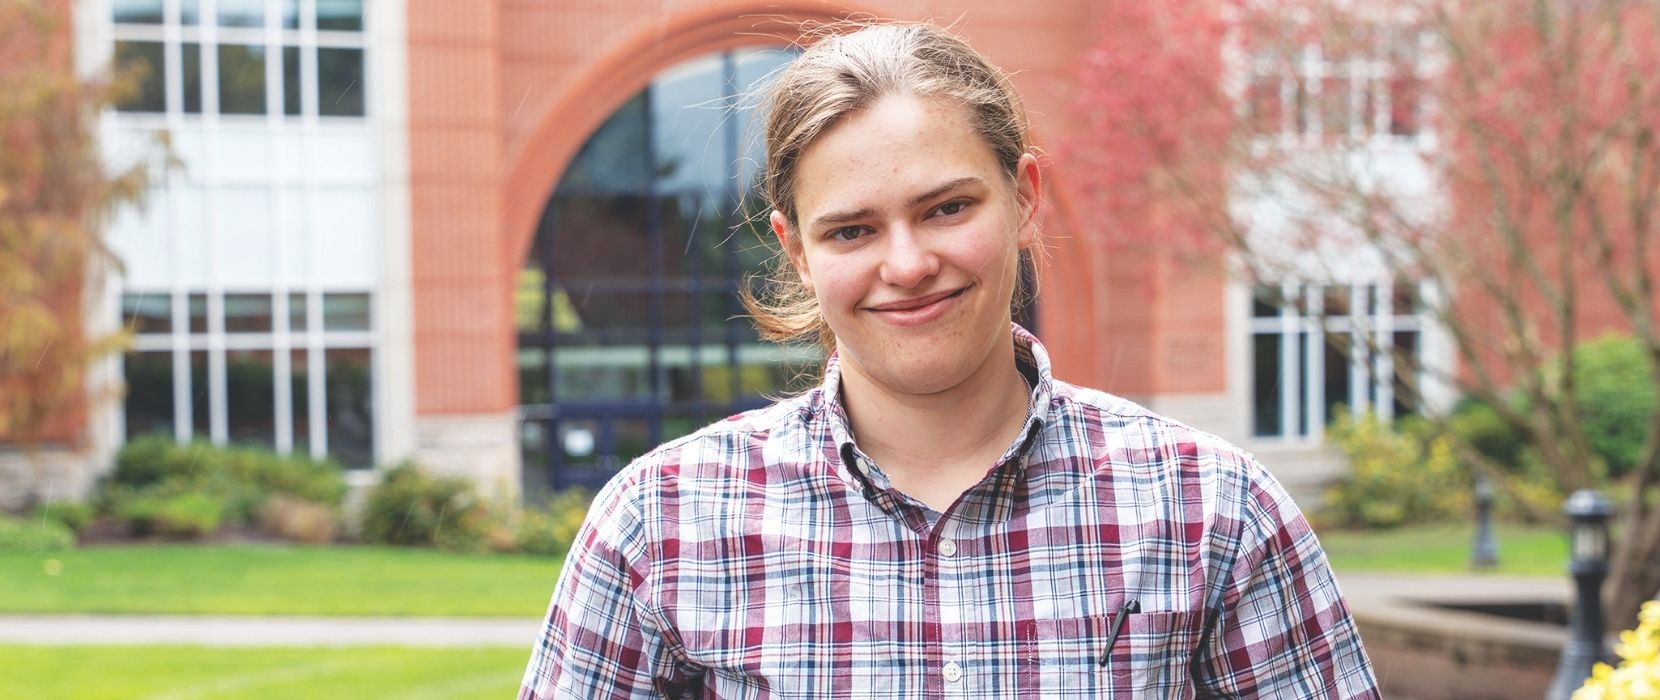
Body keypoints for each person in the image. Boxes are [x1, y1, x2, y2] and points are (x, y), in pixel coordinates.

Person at [520, 21, 1379, 699]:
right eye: (852, 229)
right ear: (797, 252)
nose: (906, 264)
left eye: (946, 207)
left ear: (1024, 197)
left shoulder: (1211, 510)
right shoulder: (660, 524)